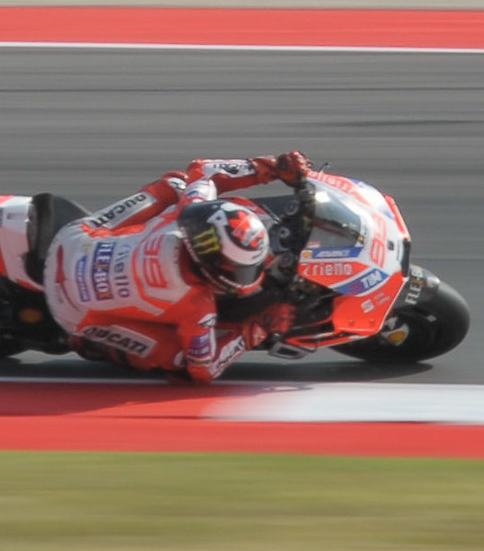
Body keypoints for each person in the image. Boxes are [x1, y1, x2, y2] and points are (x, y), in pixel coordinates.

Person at [42, 152, 312, 382]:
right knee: (179, 360)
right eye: (234, 268)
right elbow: (203, 369)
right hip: (71, 309)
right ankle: (89, 343)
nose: (241, 275)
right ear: (210, 265)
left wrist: (270, 167)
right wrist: (255, 330)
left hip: (72, 240)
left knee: (175, 185)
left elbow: (203, 170)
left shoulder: (189, 212)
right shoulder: (197, 308)